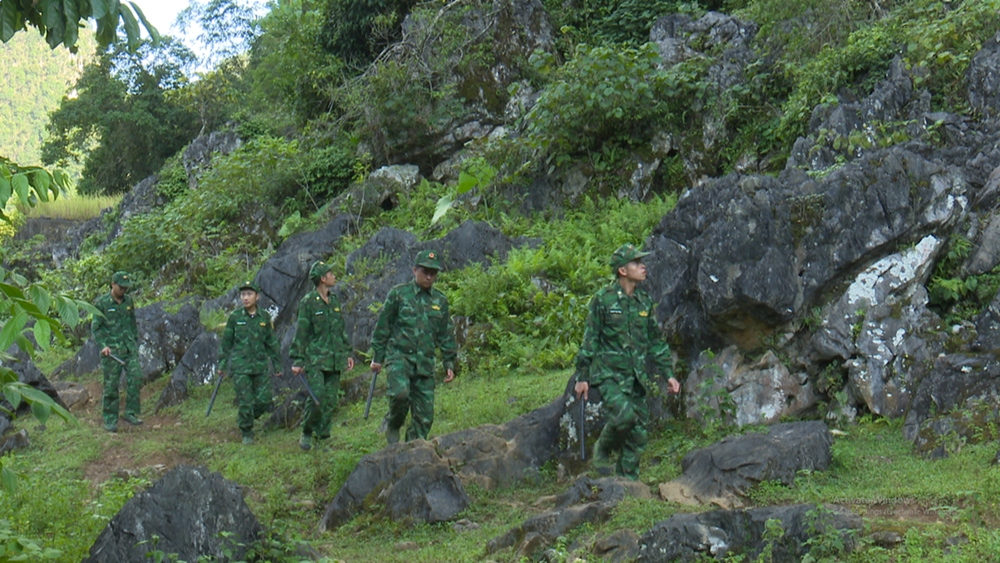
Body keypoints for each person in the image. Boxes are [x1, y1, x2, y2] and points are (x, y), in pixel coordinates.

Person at [573, 243, 681, 480]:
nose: (642, 266)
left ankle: (626, 482)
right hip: (610, 375)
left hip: (635, 378)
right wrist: (583, 377)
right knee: (624, 417)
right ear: (622, 270)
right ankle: (601, 449)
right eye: (636, 263)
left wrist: (668, 375)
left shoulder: (643, 301)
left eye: (642, 262)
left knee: (639, 433)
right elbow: (590, 340)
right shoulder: (603, 300)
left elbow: (655, 341)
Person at [370, 249, 457, 444]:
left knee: (425, 417)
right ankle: (393, 423)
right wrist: (377, 358)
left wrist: (449, 362)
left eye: (433, 273)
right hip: (400, 358)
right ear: (414, 270)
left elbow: (445, 333)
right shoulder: (398, 294)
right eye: (425, 271)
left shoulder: (440, 301)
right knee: (400, 396)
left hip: (425, 363)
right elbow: (383, 326)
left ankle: (412, 451)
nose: (429, 277)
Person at [290, 261, 354, 451]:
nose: (334, 276)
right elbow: (301, 331)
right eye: (330, 273)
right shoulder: (308, 302)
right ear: (322, 278)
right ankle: (307, 431)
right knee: (317, 396)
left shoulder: (334, 301)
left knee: (331, 400)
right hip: (316, 359)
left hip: (334, 359)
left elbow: (340, 330)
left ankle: (323, 437)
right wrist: (298, 359)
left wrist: (347, 352)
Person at [219, 281, 282, 445]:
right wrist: (222, 365)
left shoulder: (265, 318)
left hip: (260, 366)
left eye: (249, 294)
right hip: (241, 368)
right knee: (245, 401)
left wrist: (277, 364)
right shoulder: (235, 318)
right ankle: (246, 432)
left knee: (265, 400)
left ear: (257, 297)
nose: (245, 298)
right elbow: (226, 343)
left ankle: (249, 416)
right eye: (243, 295)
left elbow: (271, 343)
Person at [92, 271, 143, 433]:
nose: (123, 291)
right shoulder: (102, 303)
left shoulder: (128, 301)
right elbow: (96, 328)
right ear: (113, 284)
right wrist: (103, 345)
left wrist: (134, 340)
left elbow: (132, 322)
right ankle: (110, 418)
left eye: (126, 288)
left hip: (129, 348)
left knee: (135, 378)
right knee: (111, 385)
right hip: (112, 351)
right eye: (121, 287)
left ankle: (131, 412)